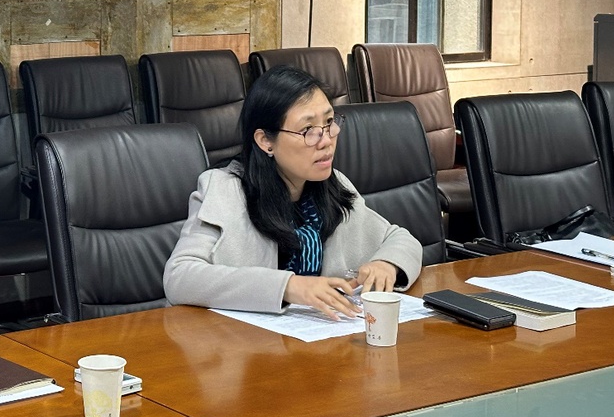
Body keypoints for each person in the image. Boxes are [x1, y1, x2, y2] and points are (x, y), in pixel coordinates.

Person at [163, 64, 422, 319]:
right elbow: (180, 276)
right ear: (266, 141)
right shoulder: (223, 190)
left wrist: (386, 264)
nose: (326, 140)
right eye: (308, 130)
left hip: (324, 335)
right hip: (244, 341)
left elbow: (400, 238)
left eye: (329, 122)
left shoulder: (334, 185)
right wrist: (287, 286)